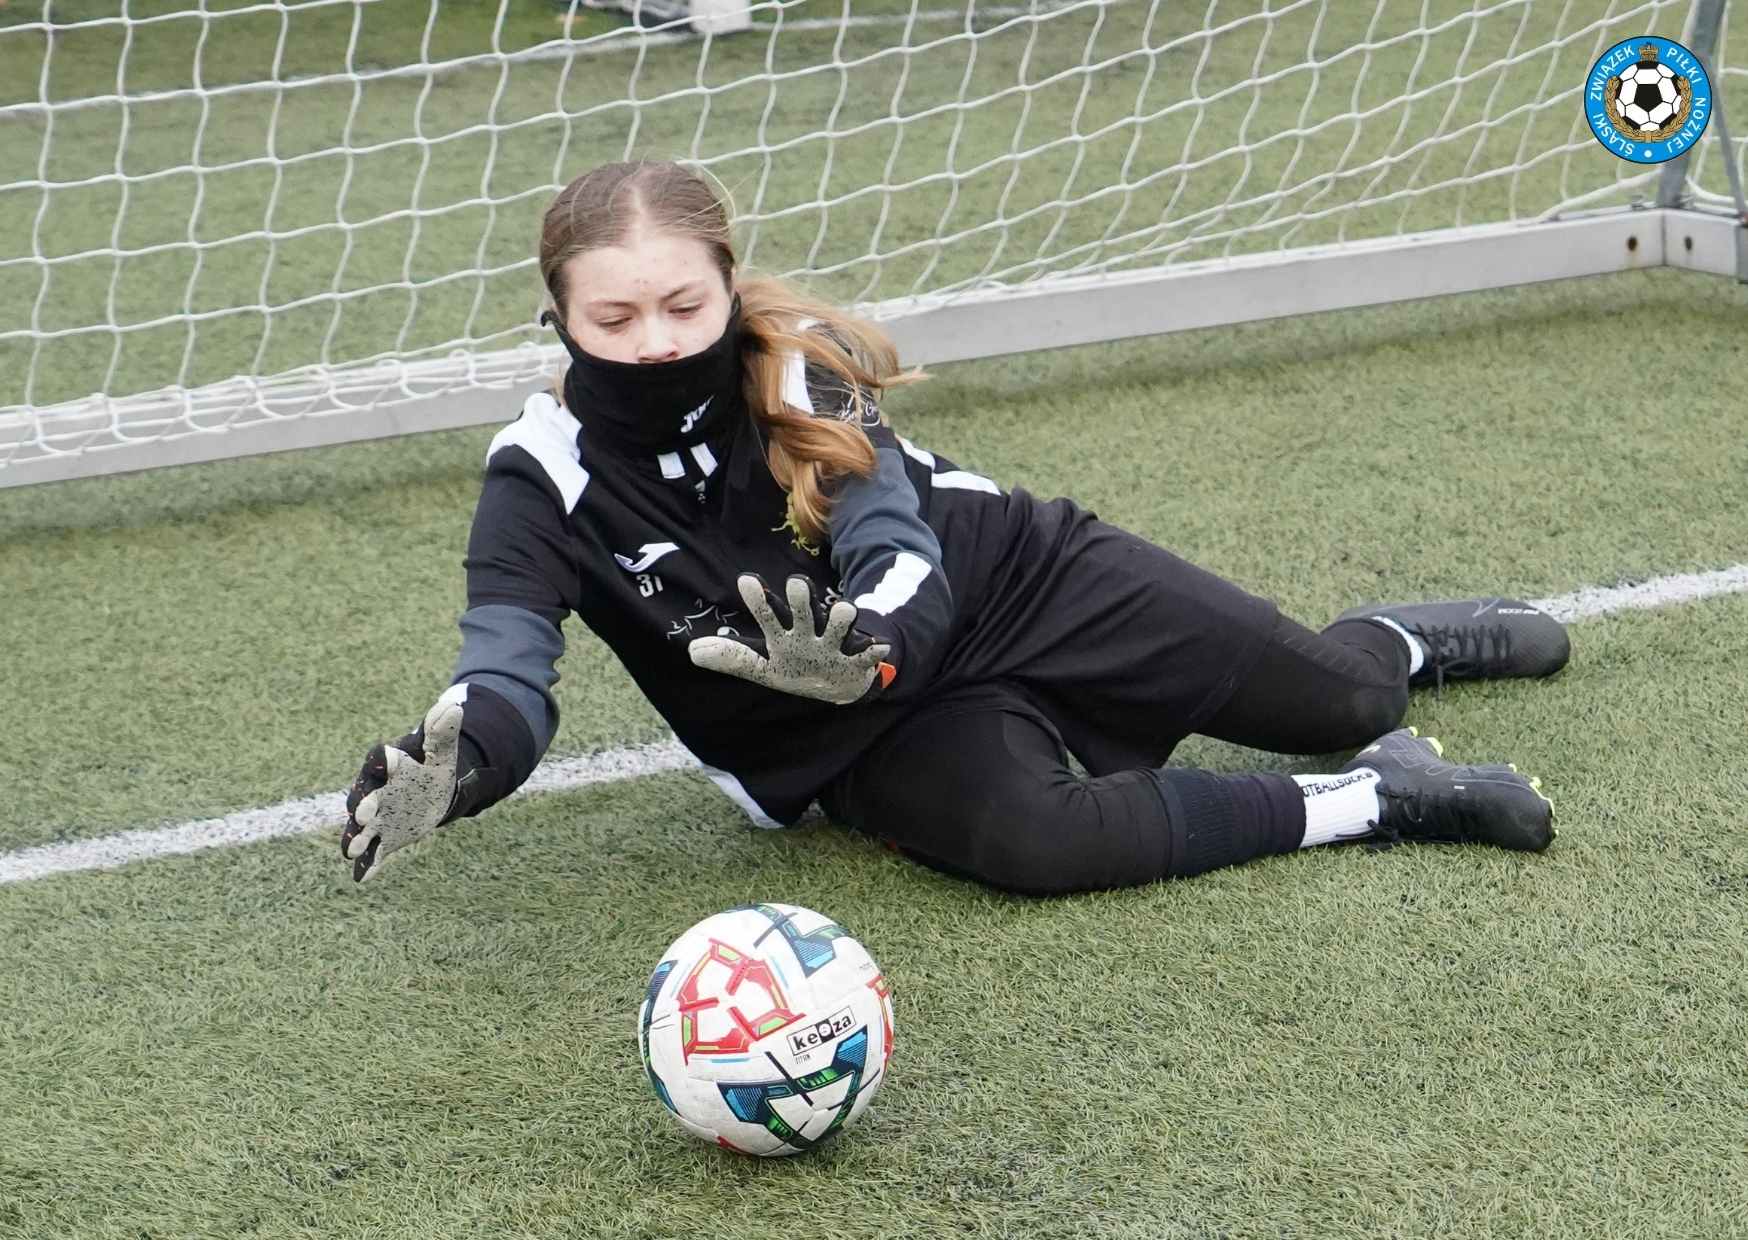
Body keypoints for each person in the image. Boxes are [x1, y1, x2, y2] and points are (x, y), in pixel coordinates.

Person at [340, 160, 1570, 894]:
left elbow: (898, 554)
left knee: (1349, 697)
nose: (655, 341)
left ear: (725, 286)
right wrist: (464, 763)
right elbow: (505, 671)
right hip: (845, 736)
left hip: (1013, 583)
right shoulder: (537, 477)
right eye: (615, 320)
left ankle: (1392, 645)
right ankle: (1375, 801)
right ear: (559, 321)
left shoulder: (799, 371)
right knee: (1035, 841)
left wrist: (862, 650)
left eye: (682, 305)